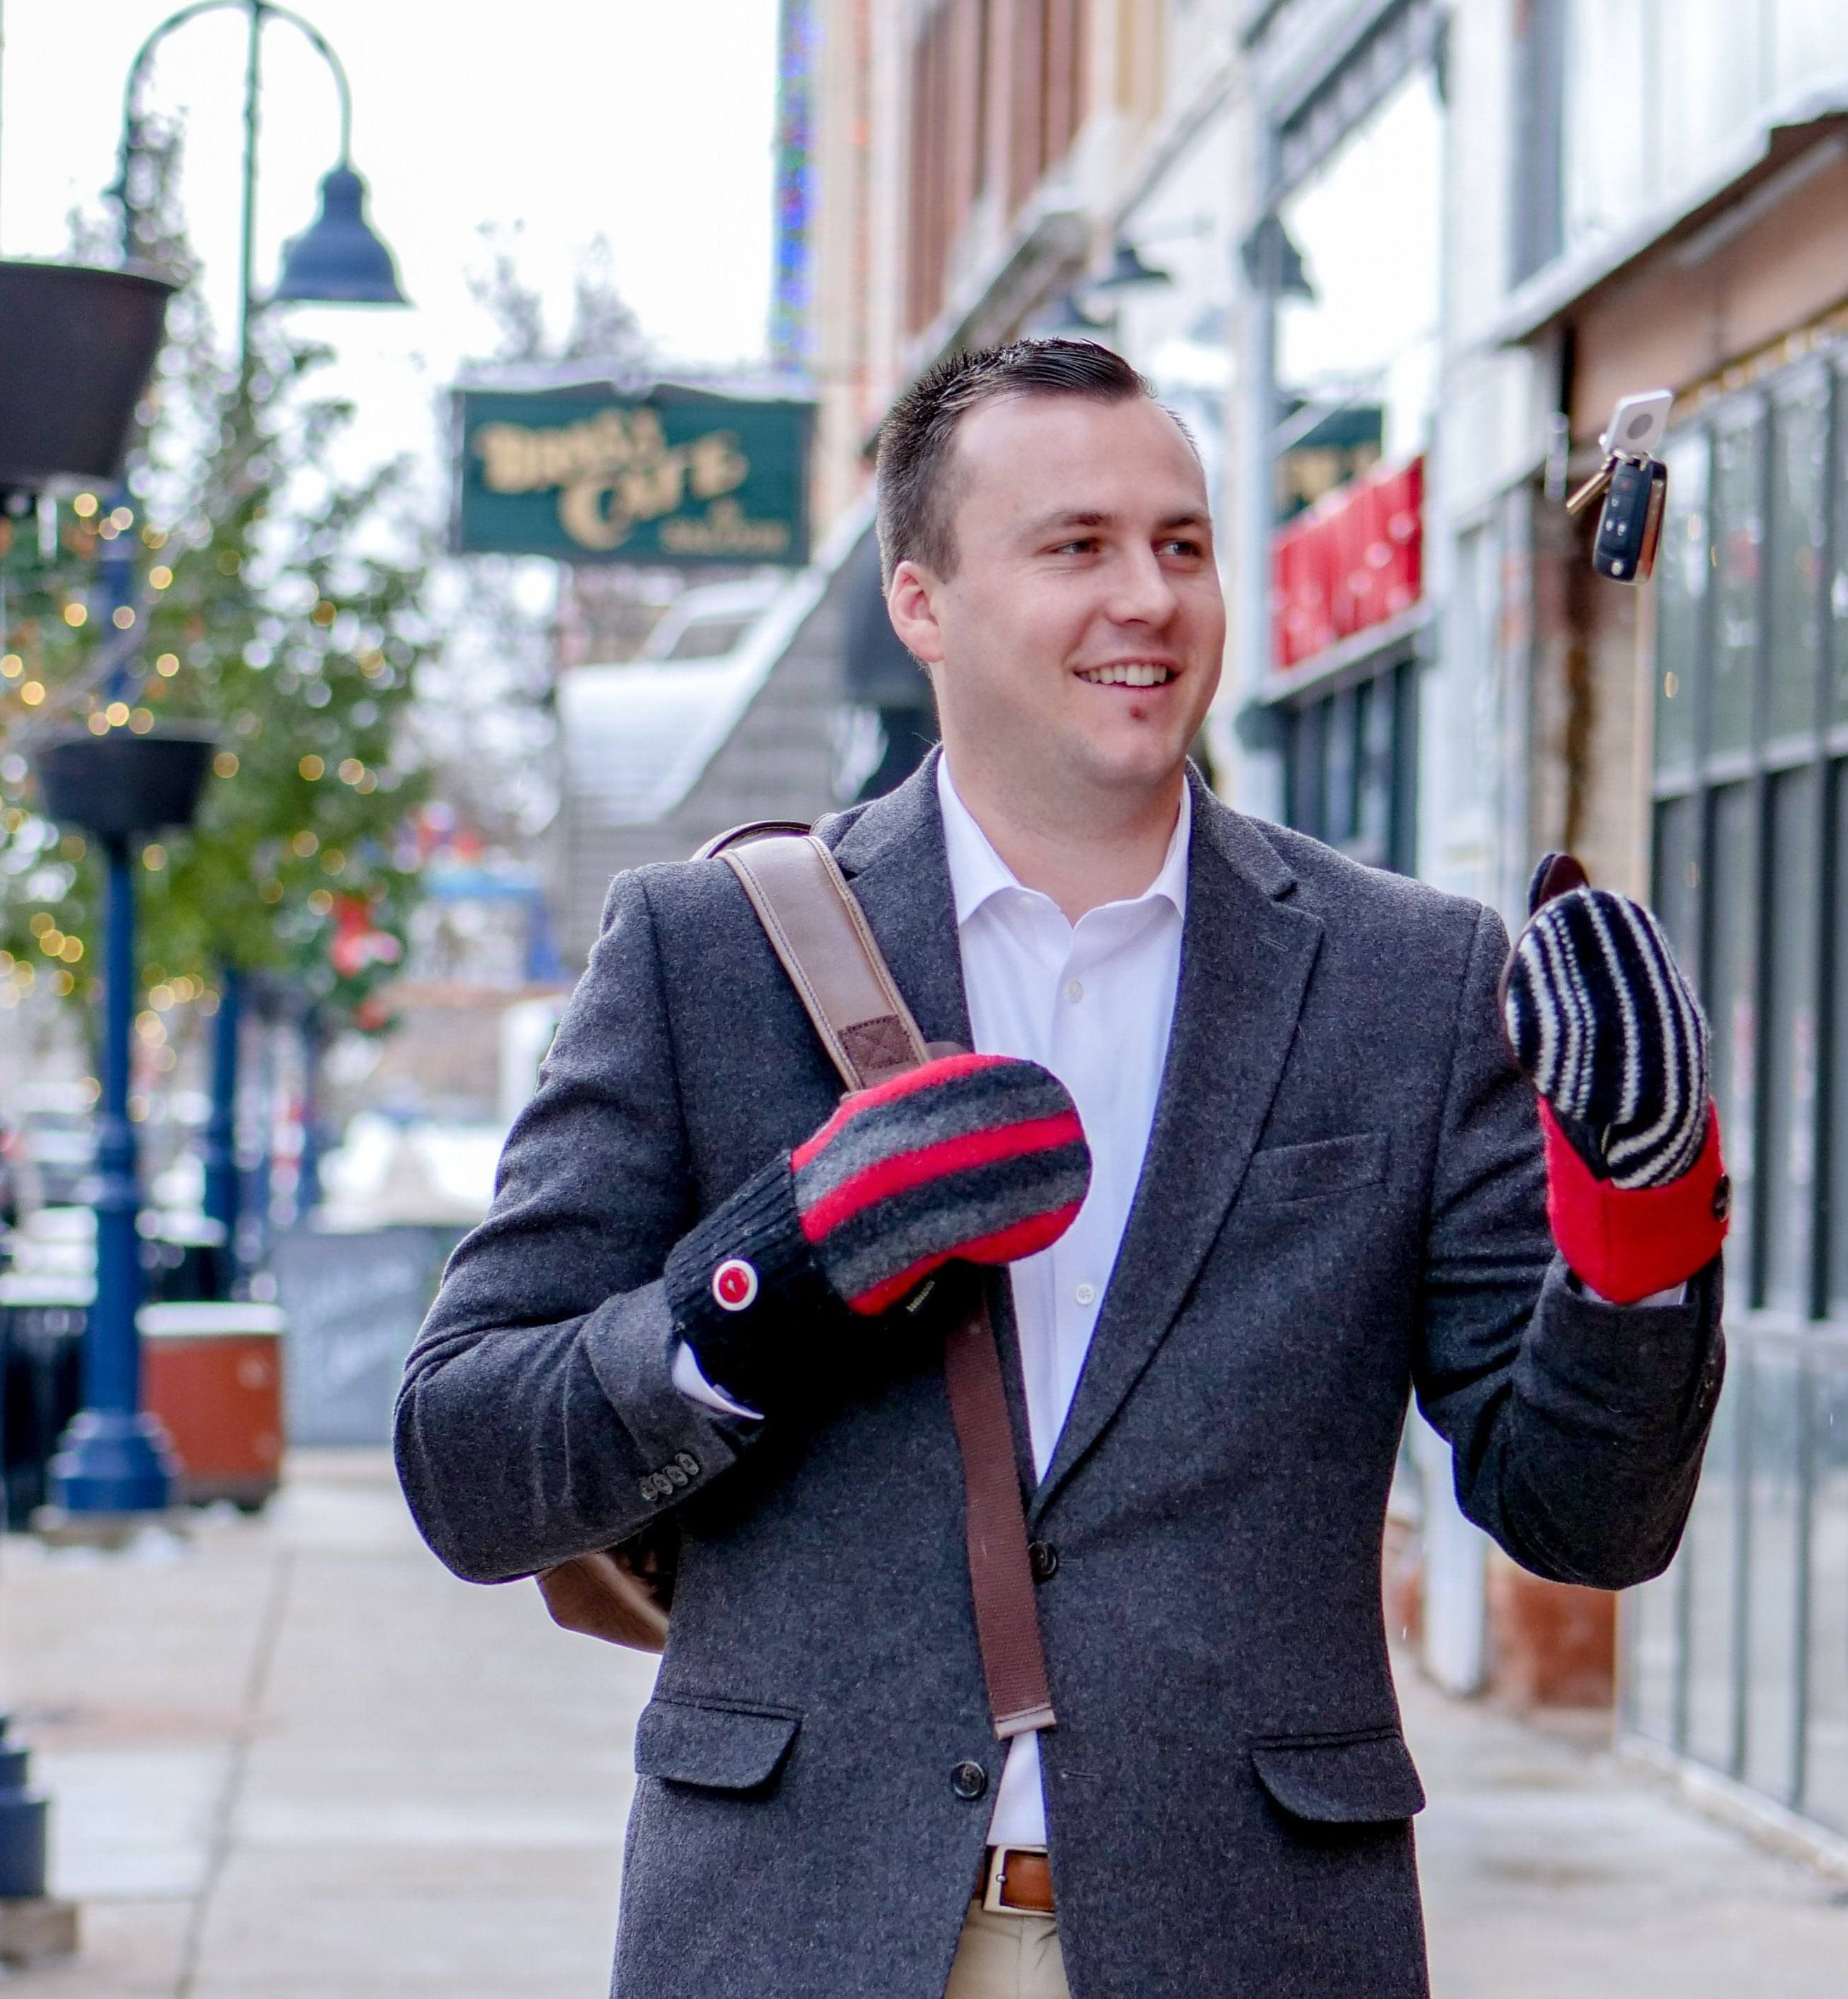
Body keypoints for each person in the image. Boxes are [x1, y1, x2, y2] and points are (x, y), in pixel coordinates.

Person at [395, 340, 1728, 1999]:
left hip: (1246, 1936)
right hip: (794, 1928)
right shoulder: (705, 953)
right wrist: (759, 1282)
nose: (1147, 598)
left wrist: (1640, 1224)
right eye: (1073, 546)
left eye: (1180, 544)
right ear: (921, 602)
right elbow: (466, 1457)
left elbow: (1583, 1517)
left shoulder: (1408, 978)